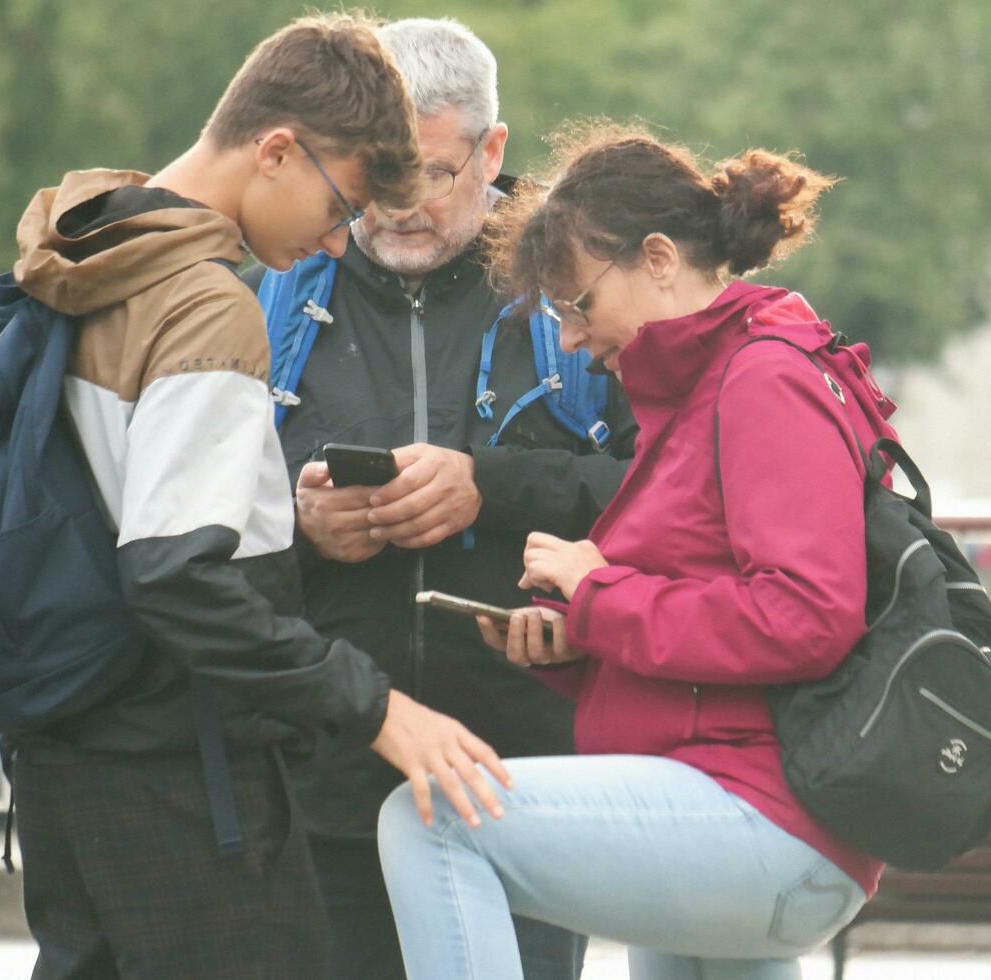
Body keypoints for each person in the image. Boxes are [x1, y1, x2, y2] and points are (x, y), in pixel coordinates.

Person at [5, 15, 511, 978]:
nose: (336, 236)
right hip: (179, 771)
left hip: (61, 747)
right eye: (343, 201)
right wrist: (376, 709)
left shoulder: (85, 249)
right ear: (276, 149)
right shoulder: (206, 302)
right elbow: (175, 576)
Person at [374, 122, 898, 980]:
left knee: (430, 818)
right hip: (723, 801)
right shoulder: (702, 389)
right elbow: (709, 619)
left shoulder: (762, 379)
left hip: (759, 814)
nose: (572, 341)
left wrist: (601, 597)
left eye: (577, 305)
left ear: (657, 259)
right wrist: (580, 641)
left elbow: (806, 615)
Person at [248, 19, 635, 980]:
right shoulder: (275, 291)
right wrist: (298, 527)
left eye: (429, 173)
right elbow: (194, 538)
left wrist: (489, 489)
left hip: (528, 787)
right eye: (376, 178)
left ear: (494, 151)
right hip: (326, 784)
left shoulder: (582, 297)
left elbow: (667, 495)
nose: (398, 208)